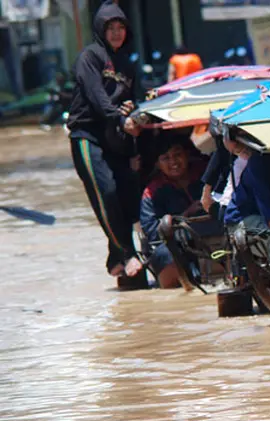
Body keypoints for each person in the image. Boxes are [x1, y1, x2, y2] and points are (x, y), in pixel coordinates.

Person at [67, 0, 144, 280]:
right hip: (86, 136)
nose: (116, 33)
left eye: (120, 27)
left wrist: (133, 118)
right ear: (101, 29)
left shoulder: (127, 64)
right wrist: (121, 117)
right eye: (110, 27)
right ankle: (127, 253)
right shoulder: (90, 57)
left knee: (125, 195)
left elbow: (133, 101)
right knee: (106, 192)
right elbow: (98, 98)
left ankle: (116, 255)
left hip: (116, 139)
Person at [140, 138, 223, 288]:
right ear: (158, 164)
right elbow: (152, 231)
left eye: (177, 154)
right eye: (166, 158)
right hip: (178, 244)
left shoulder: (206, 176)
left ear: (186, 155)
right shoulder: (152, 192)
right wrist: (185, 214)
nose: (174, 162)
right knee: (165, 254)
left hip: (215, 233)